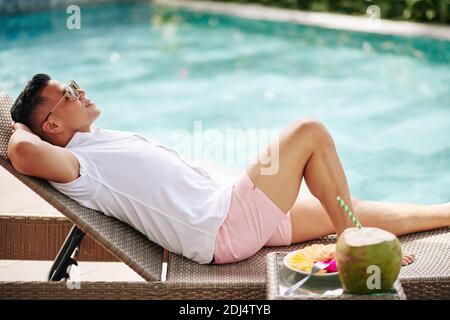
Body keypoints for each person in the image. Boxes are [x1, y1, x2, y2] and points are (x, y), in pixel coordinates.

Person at [8, 74, 449, 266]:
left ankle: (442, 213)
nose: (81, 92)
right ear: (51, 126)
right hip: (225, 226)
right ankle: (352, 245)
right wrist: (22, 125)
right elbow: (23, 151)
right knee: (308, 132)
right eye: (69, 93)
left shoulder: (94, 142)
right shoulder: (76, 164)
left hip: (228, 215)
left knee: (346, 205)